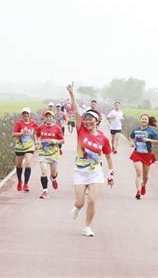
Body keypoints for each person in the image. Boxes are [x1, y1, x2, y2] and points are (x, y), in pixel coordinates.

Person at [66, 82, 115, 237]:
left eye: (90, 119)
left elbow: (108, 155)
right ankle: (77, 207)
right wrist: (72, 94)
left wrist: (111, 172)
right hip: (80, 171)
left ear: (97, 121)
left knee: (92, 201)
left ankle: (87, 227)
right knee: (80, 202)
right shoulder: (81, 131)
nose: (87, 121)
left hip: (95, 172)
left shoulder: (103, 138)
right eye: (85, 119)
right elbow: (76, 111)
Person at [128, 114, 158, 199]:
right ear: (140, 120)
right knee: (139, 173)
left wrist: (148, 140)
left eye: (145, 119)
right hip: (137, 154)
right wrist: (131, 142)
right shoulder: (136, 129)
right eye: (142, 119)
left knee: (145, 176)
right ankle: (138, 190)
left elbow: (157, 142)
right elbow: (131, 137)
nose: (144, 120)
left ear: (148, 121)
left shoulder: (151, 131)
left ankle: (143, 185)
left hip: (147, 155)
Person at [36, 110, 65, 199]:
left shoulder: (57, 128)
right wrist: (37, 143)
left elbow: (63, 140)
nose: (48, 118)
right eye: (46, 117)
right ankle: (45, 191)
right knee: (44, 171)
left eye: (50, 117)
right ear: (44, 118)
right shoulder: (40, 128)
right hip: (43, 153)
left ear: (53, 118)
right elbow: (37, 136)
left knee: (53, 173)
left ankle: (53, 178)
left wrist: (54, 141)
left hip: (54, 154)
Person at [12, 107, 39, 192]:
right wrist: (21, 133)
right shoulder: (18, 123)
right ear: (22, 115)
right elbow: (13, 134)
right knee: (19, 165)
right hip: (20, 147)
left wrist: (36, 142)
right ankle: (20, 181)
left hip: (30, 146)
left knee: (28, 163)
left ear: (30, 115)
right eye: (24, 114)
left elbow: (35, 133)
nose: (25, 115)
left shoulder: (33, 124)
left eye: (27, 114)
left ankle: (26, 184)